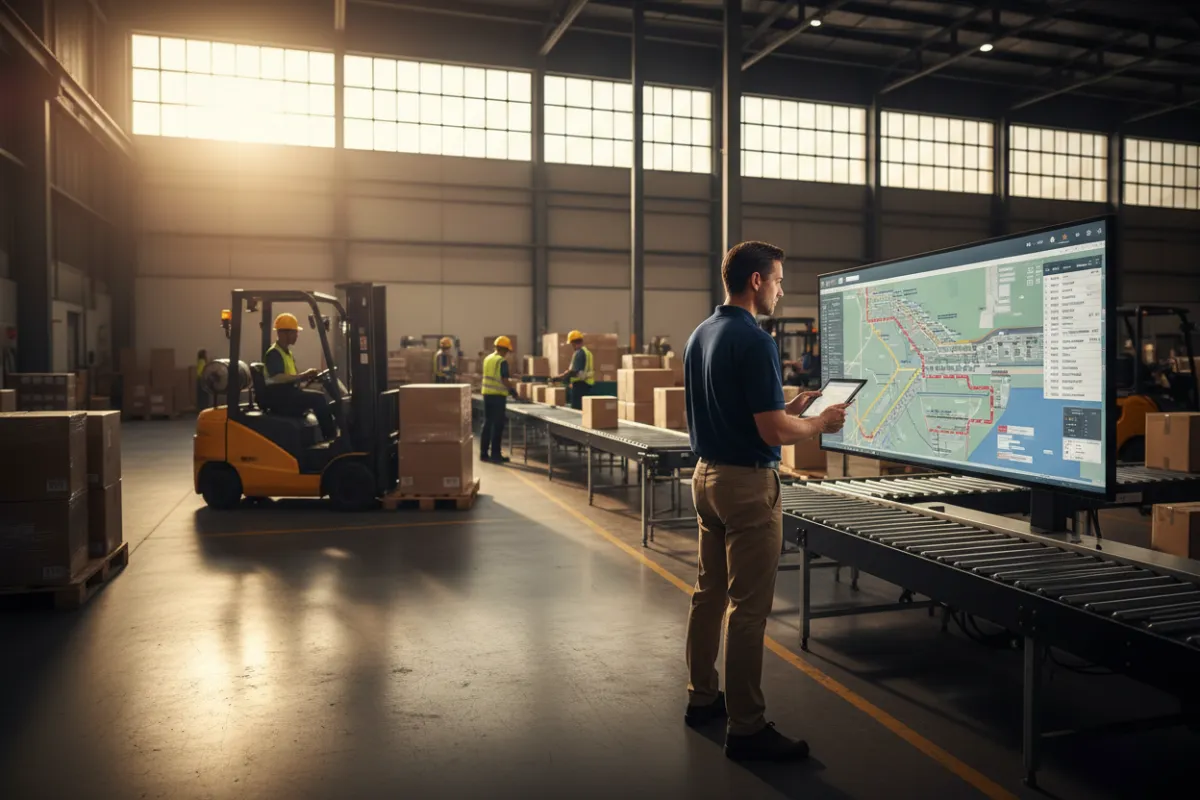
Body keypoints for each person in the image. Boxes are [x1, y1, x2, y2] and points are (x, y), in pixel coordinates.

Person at [682, 241, 848, 763]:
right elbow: (774, 431)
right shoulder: (754, 339)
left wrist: (790, 403)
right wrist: (819, 421)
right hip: (748, 487)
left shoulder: (701, 333)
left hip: (706, 478)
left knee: (708, 595)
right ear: (756, 281)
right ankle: (748, 727)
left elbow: (752, 409)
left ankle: (702, 696)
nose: (781, 289)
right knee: (748, 609)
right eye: (777, 279)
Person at [261, 312, 337, 440]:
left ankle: (327, 434)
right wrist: (302, 376)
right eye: (294, 332)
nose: (297, 335)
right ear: (284, 334)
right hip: (280, 398)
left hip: (287, 393)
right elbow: (277, 377)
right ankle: (331, 437)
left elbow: (290, 377)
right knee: (318, 399)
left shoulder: (286, 352)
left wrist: (308, 377)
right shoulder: (274, 353)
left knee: (318, 392)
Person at [480, 335, 518, 463]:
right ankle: (496, 454)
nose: (507, 353)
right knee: (498, 425)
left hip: (486, 394)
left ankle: (483, 453)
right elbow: (504, 380)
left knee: (487, 424)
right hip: (497, 396)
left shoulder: (487, 359)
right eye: (507, 351)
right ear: (503, 349)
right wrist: (513, 391)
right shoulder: (501, 361)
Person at [553, 330, 594, 410]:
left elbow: (575, 371)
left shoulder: (579, 353)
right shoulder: (587, 352)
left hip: (580, 386)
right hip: (586, 385)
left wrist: (559, 377)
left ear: (574, 343)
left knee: (576, 411)